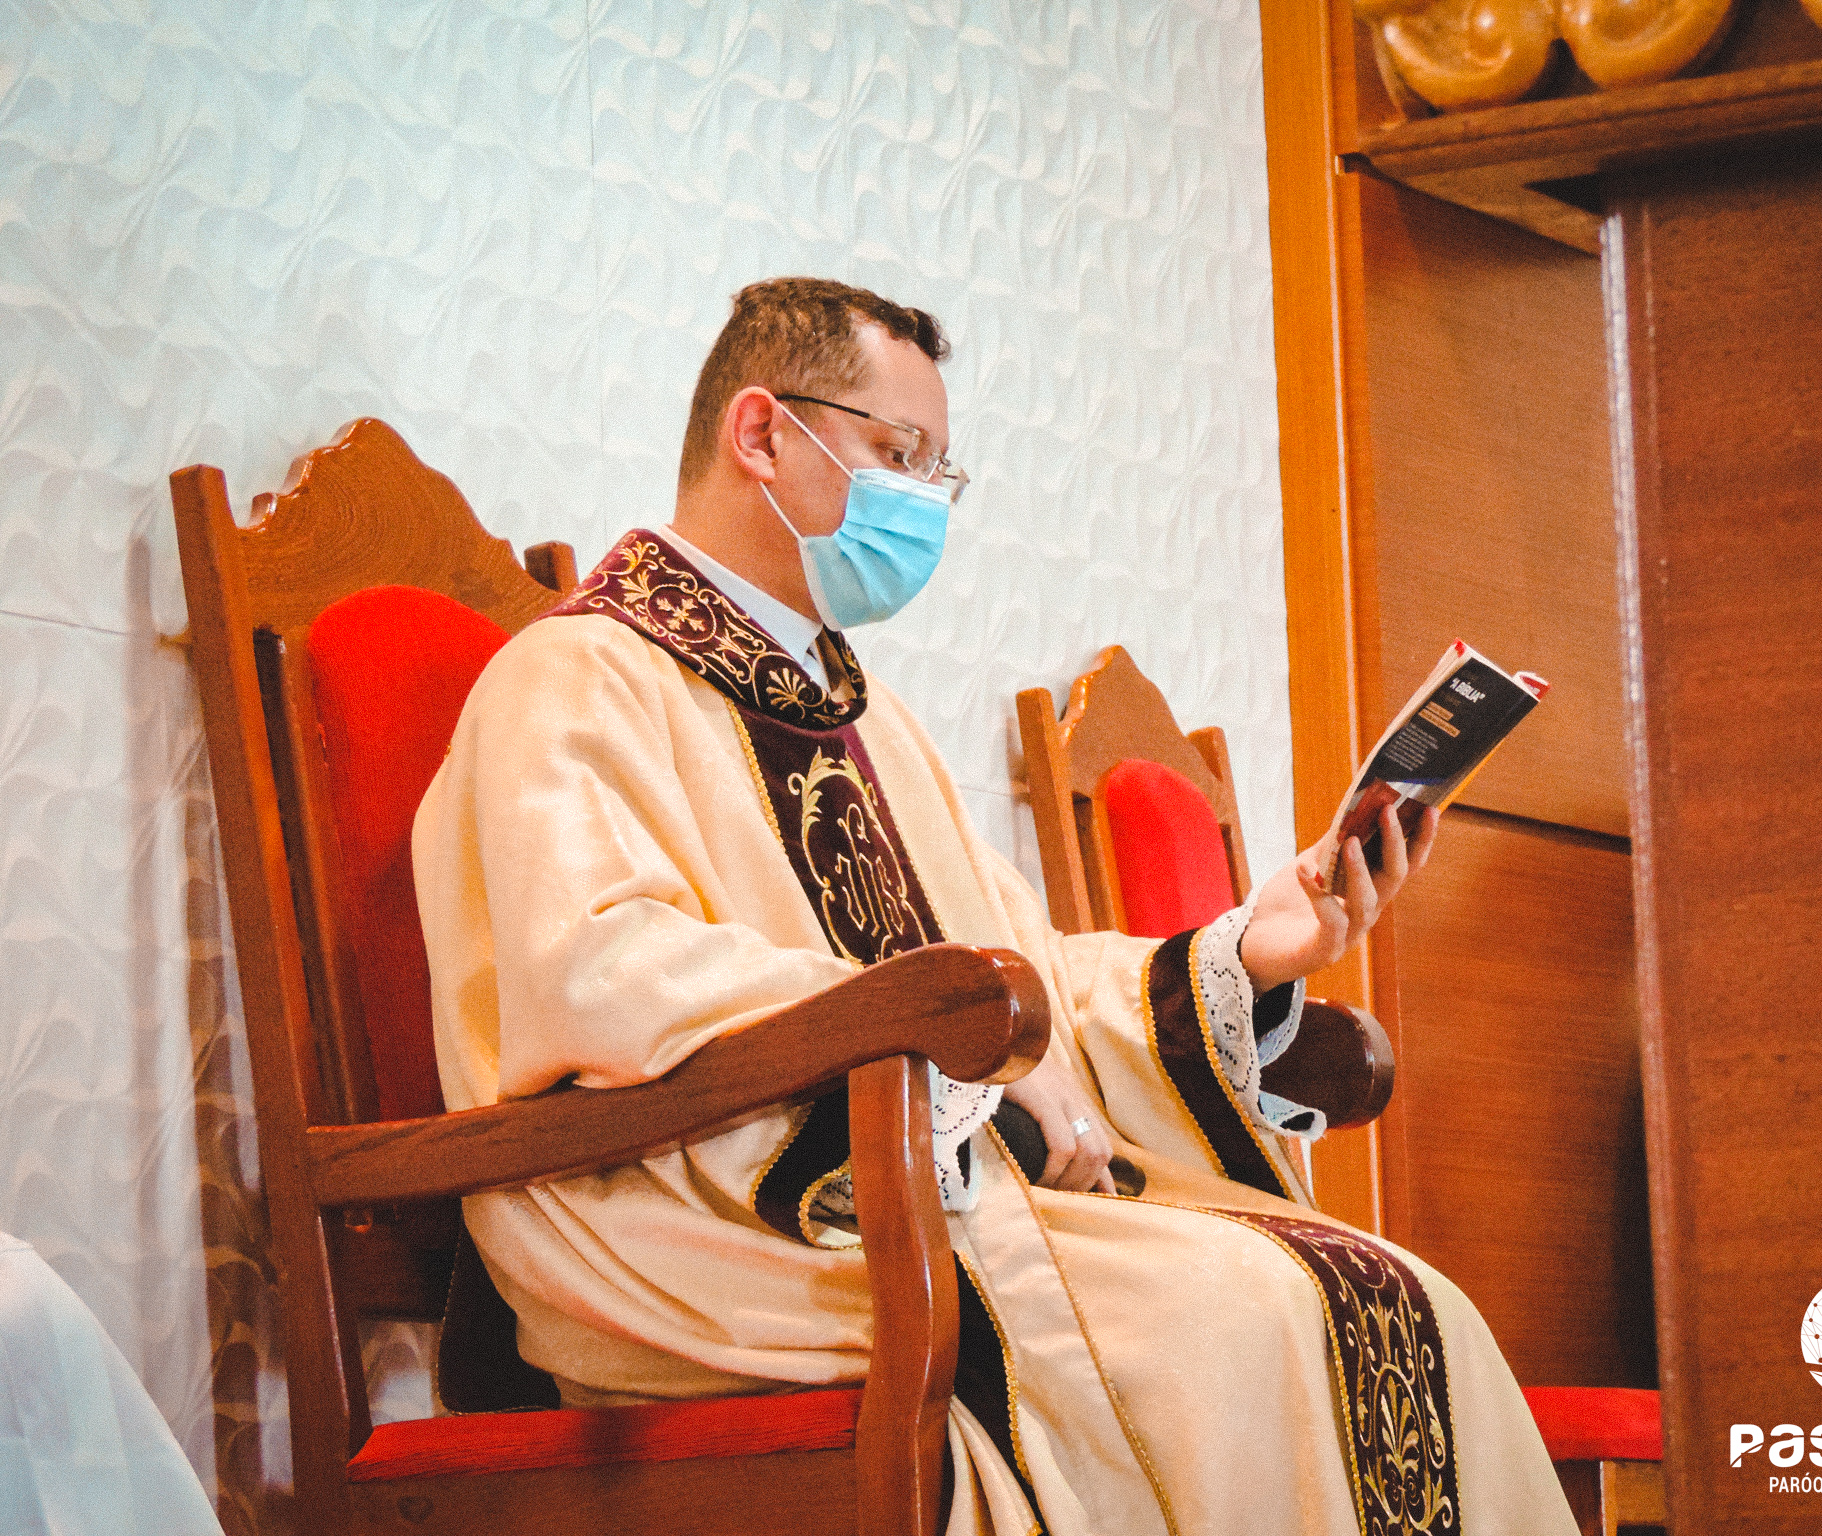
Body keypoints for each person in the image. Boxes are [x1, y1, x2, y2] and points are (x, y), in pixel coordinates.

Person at [413, 277, 1575, 1535]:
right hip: (712, 1235)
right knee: (1247, 1316)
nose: (921, 501)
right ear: (758, 433)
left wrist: (1246, 949)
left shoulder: (869, 722)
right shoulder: (575, 677)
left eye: (938, 472)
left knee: (1392, 1295)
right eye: (896, 454)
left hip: (928, 1198)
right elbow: (597, 976)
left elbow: (1021, 971)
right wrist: (941, 1046)